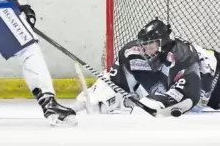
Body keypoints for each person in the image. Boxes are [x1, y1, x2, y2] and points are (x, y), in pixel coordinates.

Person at [75, 19, 205, 116]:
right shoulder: (131, 53)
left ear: (164, 43)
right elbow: (116, 82)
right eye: (144, 45)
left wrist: (154, 104)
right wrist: (99, 98)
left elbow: (189, 96)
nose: (145, 50)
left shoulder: (182, 55)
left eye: (151, 45)